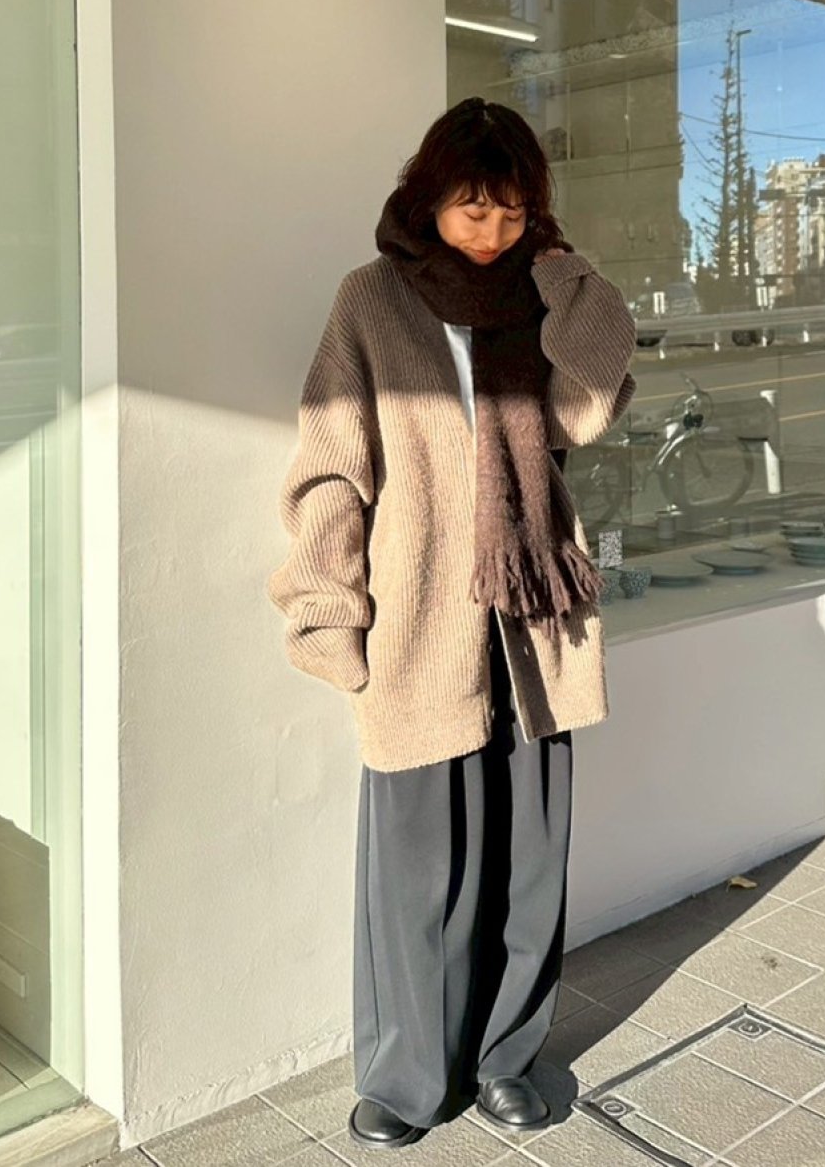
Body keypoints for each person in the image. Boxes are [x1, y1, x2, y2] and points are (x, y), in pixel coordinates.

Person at [268, 97, 637, 1149]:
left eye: (514, 214)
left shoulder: (540, 296)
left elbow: (588, 408)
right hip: (421, 619)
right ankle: (407, 1075)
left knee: (529, 864)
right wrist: (327, 608)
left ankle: (508, 1057)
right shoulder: (372, 299)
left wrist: (567, 279)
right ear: (428, 196)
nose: (491, 233)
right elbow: (332, 463)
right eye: (474, 210)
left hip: (533, 621)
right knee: (418, 874)